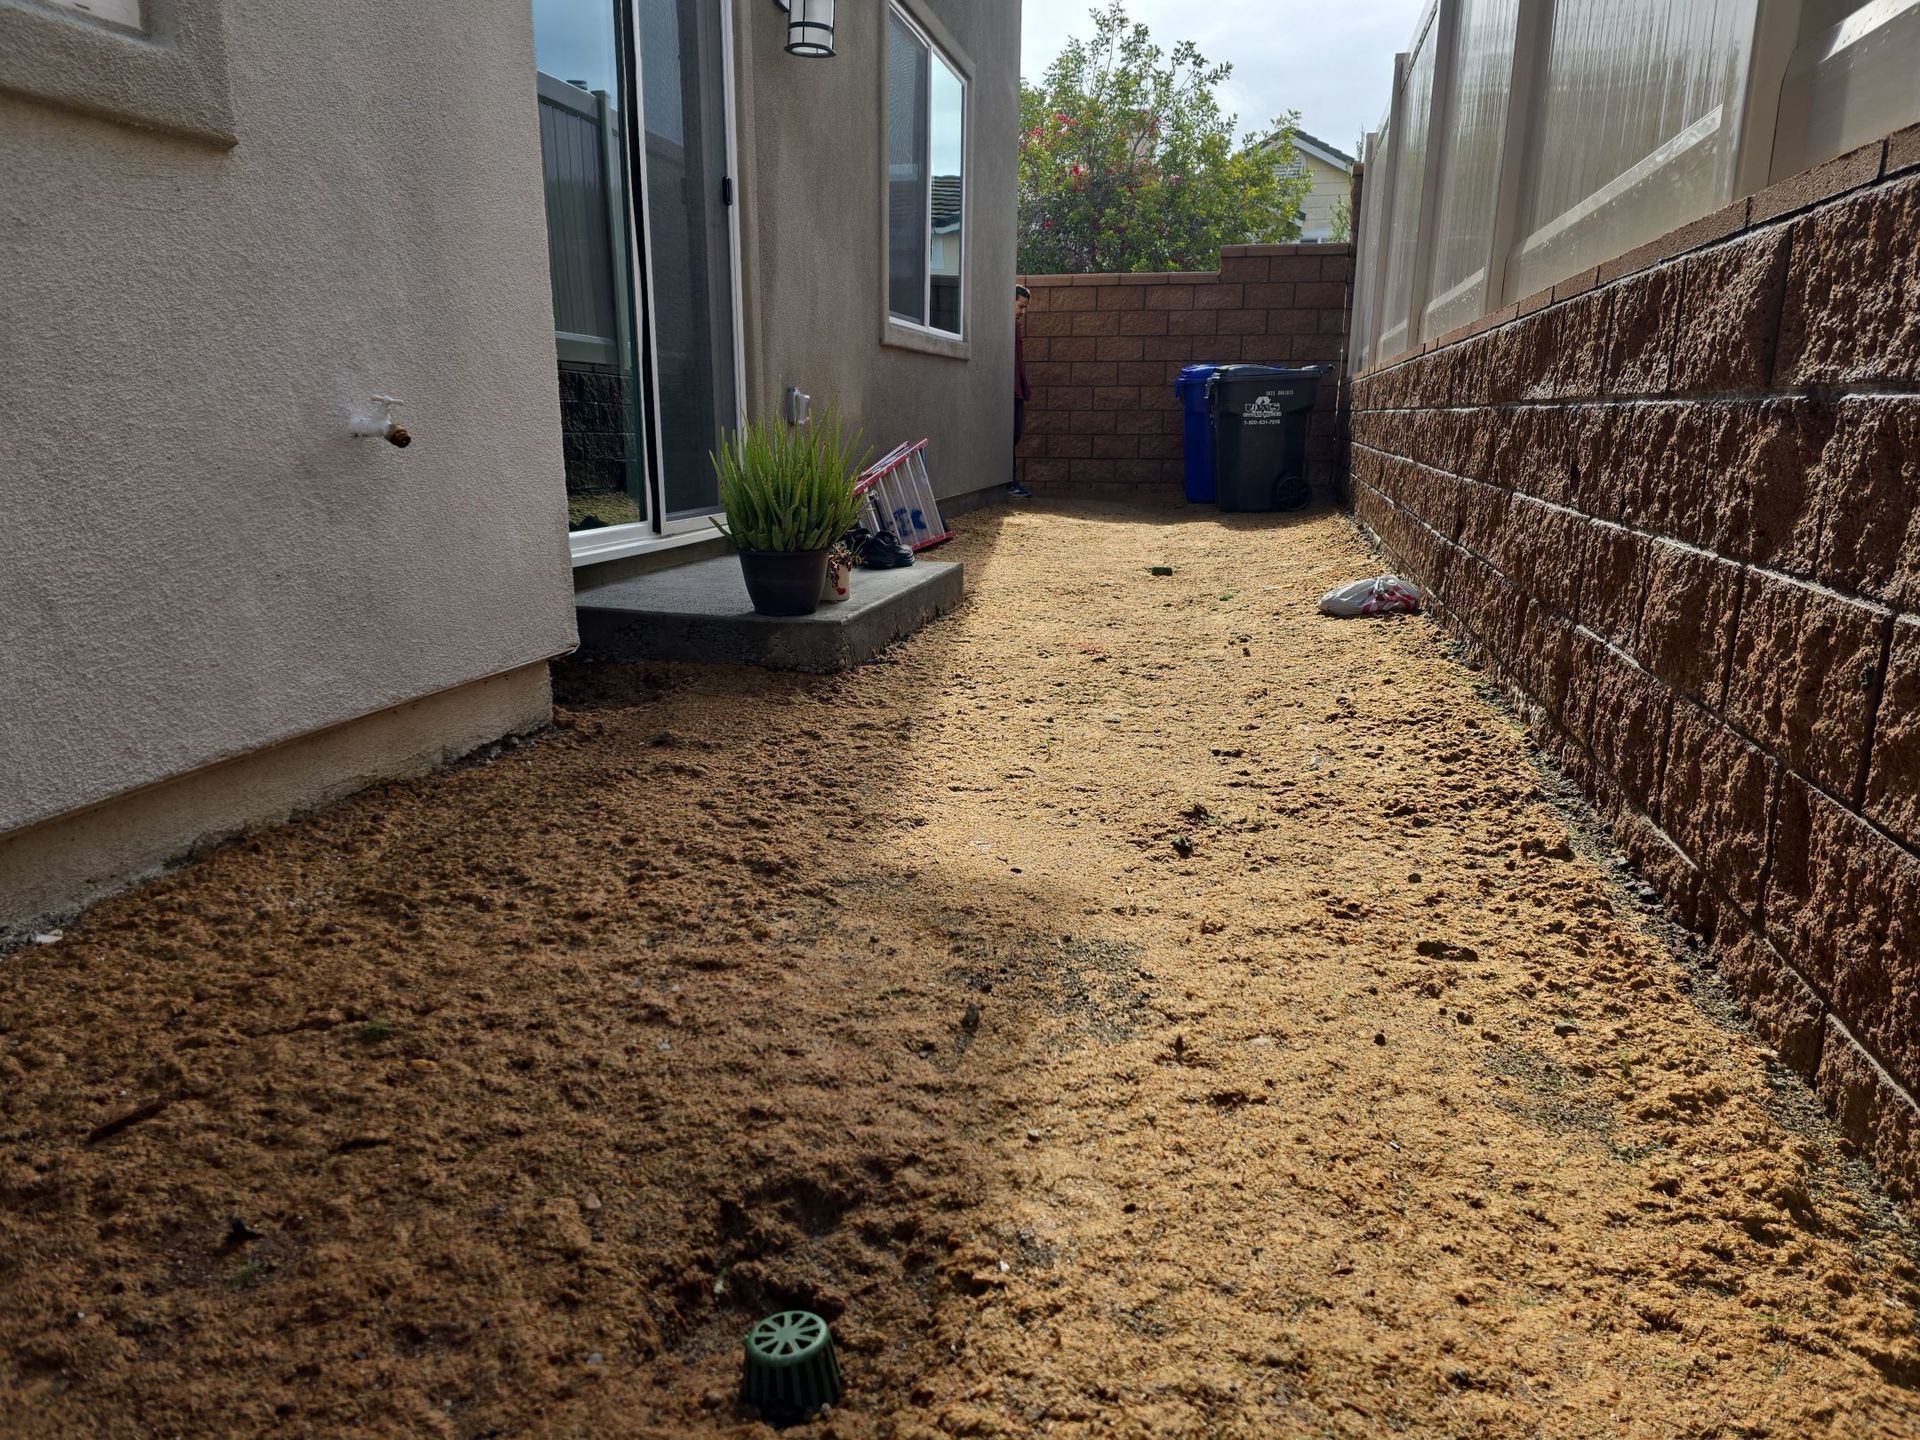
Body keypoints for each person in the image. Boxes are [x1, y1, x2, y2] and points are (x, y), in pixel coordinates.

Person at [1009, 284, 1033, 497]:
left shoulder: (1014, 326)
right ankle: (1010, 481)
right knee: (1011, 434)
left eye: (1024, 308)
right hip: (1009, 390)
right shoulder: (1008, 327)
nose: (1022, 312)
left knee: (1015, 433)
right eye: (1020, 306)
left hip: (1015, 390)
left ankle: (1011, 480)